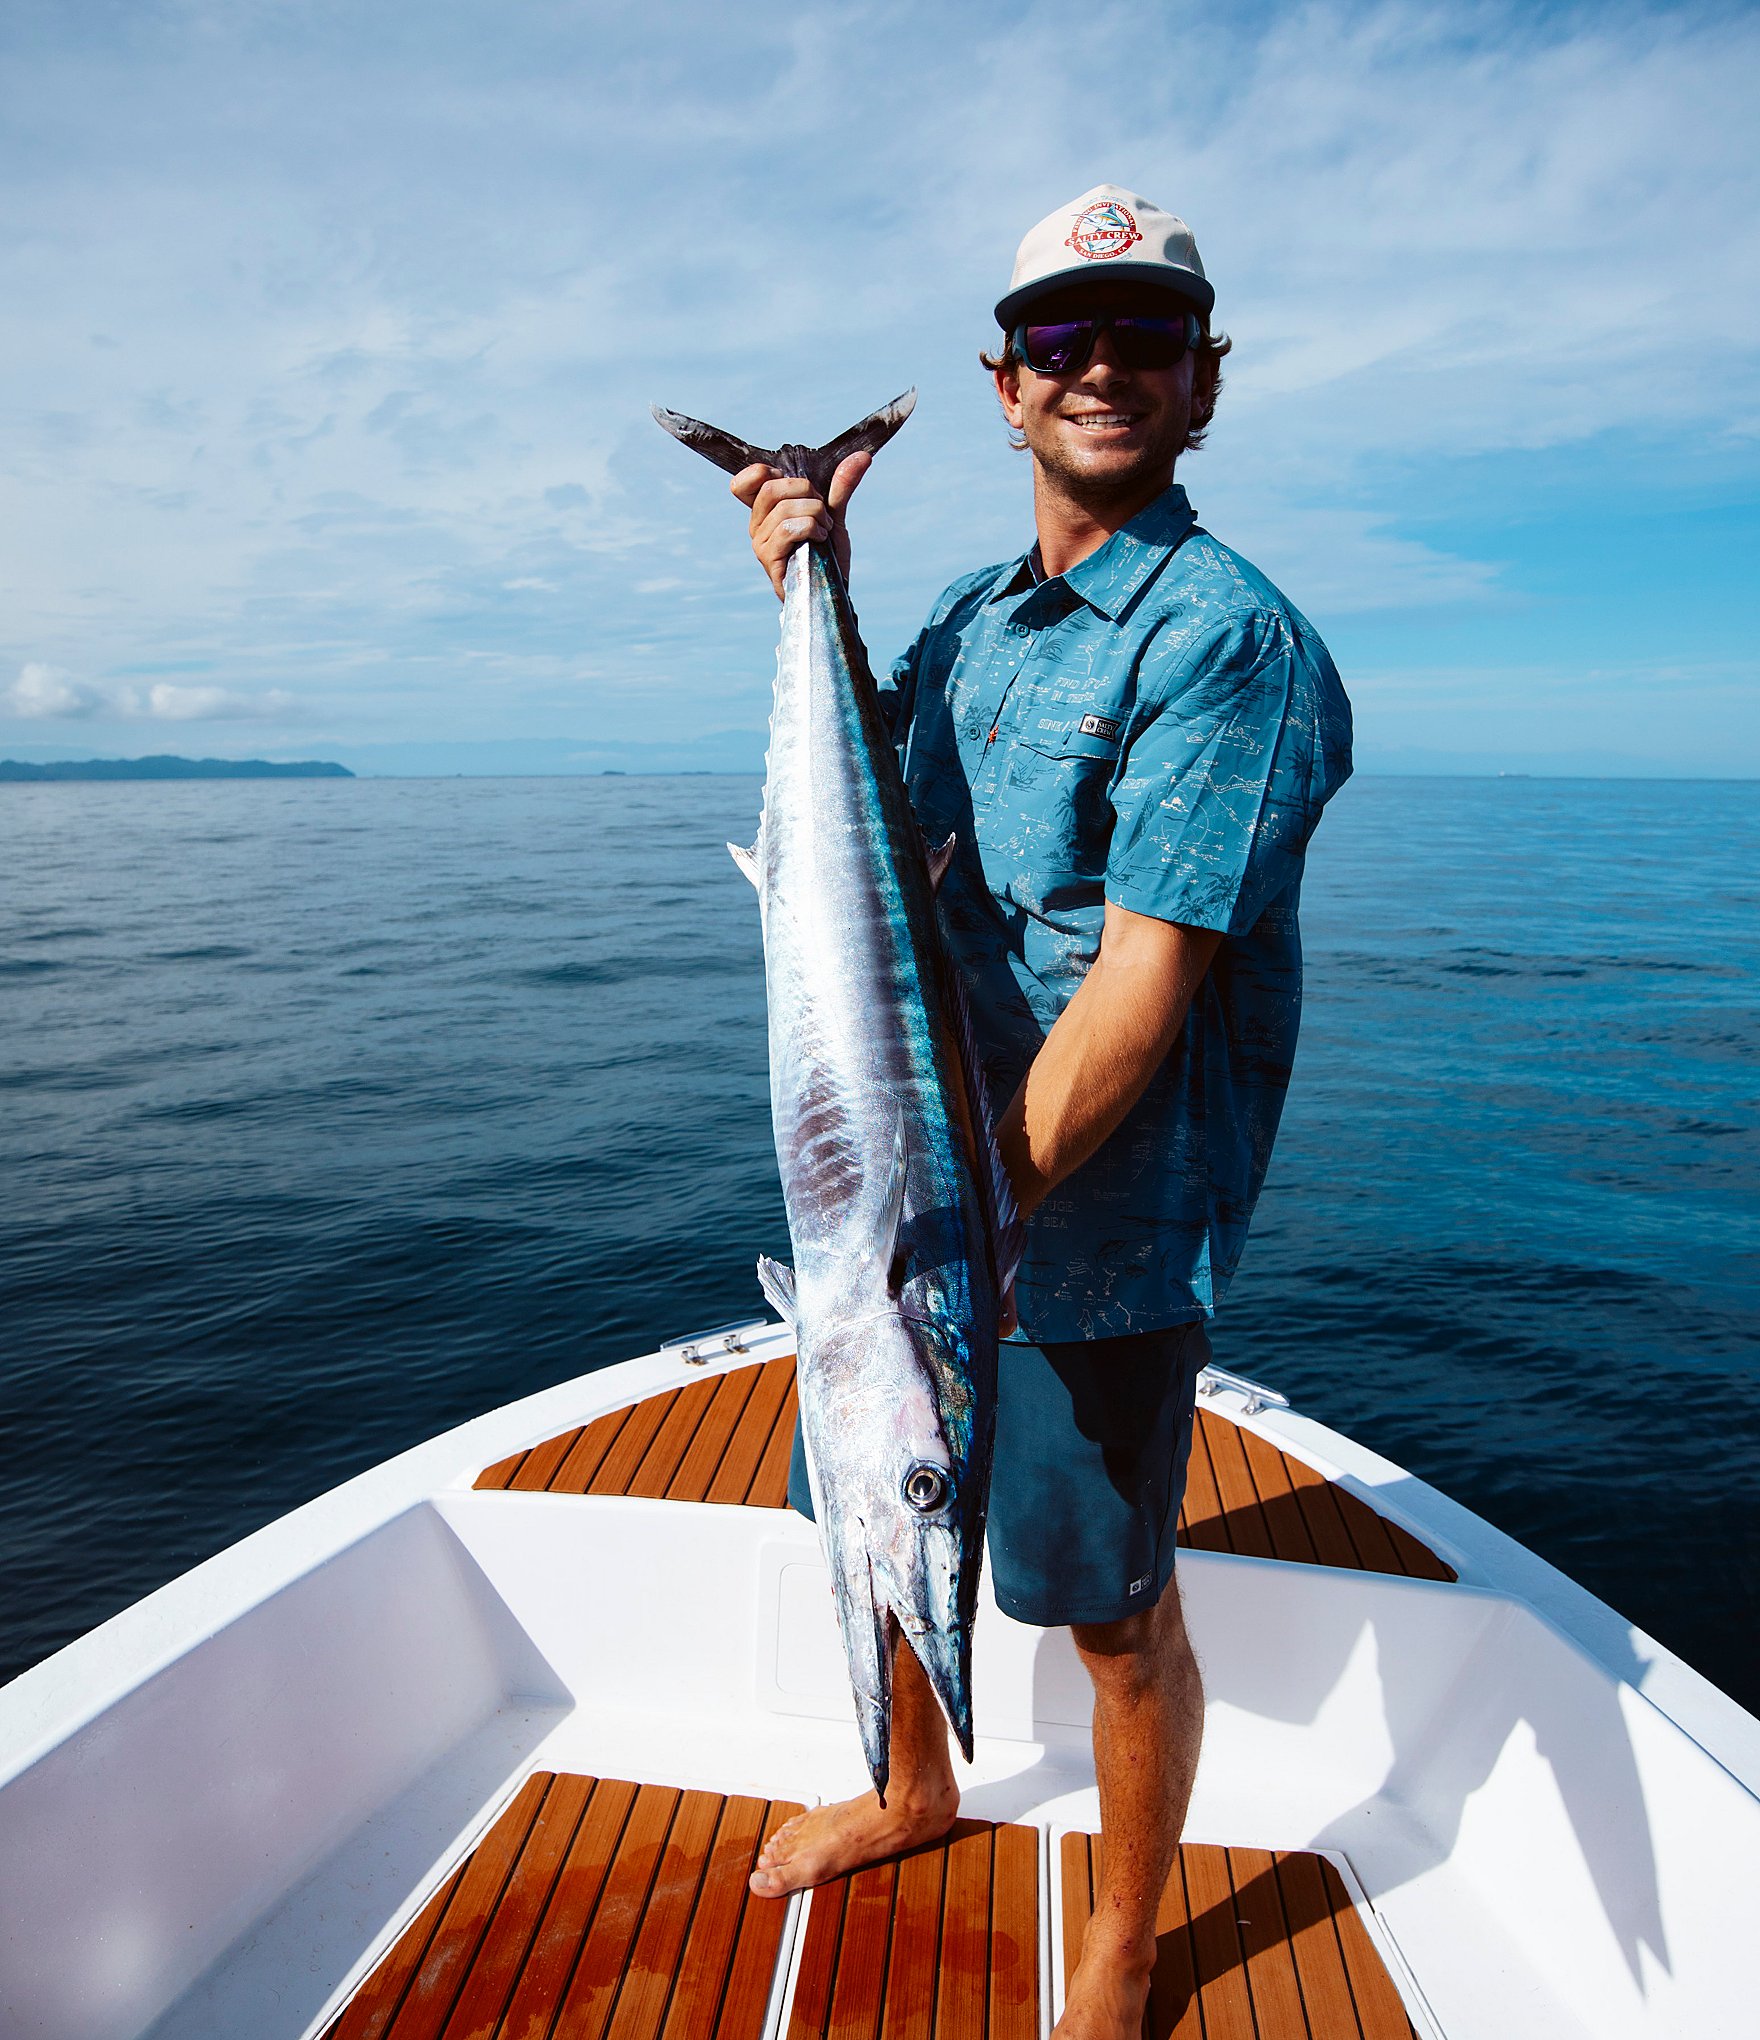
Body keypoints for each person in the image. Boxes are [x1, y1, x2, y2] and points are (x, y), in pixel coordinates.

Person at [733, 184, 1353, 2040]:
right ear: (1005, 388)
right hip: (907, 1228)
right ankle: (920, 1790)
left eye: (1145, 339)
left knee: (1106, 1607)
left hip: (1078, 1226)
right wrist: (804, 584)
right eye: (1064, 342)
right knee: (879, 1512)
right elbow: (866, 834)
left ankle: (1123, 1943)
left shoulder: (1229, 645)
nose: (1103, 369)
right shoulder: (968, 620)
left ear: (1204, 383)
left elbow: (1144, 987)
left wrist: (958, 1236)